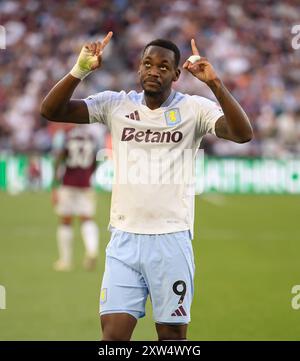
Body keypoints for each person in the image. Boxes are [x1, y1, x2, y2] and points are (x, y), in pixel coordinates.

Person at [41, 31, 253, 340]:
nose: (154, 71)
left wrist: (215, 84)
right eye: (147, 64)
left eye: (164, 66)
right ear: (139, 68)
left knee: (171, 338)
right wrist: (80, 71)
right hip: (123, 240)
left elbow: (242, 133)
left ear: (177, 74)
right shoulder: (116, 104)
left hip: (171, 240)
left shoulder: (194, 109)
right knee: (112, 338)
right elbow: (51, 111)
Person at [51, 124, 99, 271]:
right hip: (85, 184)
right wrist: (89, 175)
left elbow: (59, 158)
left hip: (68, 183)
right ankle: (92, 250)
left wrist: (54, 185)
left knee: (65, 220)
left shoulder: (65, 135)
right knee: (87, 218)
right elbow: (96, 160)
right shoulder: (91, 136)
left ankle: (65, 261)